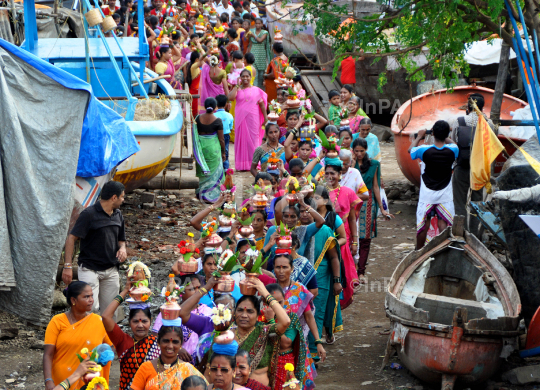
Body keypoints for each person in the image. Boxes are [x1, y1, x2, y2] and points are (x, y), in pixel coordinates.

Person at [179, 278, 291, 387]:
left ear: (258, 316)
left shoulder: (264, 332)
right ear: (234, 313)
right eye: (240, 310)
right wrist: (206, 288)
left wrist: (265, 292)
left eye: (250, 311)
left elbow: (285, 321)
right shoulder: (224, 335)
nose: (244, 315)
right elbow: (209, 371)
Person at [63, 181, 127, 320]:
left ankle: (108, 341)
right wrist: (67, 266)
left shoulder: (118, 215)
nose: (123, 200)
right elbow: (72, 237)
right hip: (89, 269)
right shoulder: (89, 214)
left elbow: (121, 240)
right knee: (90, 309)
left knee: (111, 310)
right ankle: (88, 340)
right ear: (114, 197)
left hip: (111, 269)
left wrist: (122, 248)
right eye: (122, 197)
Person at [43, 282, 112, 390]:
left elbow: (109, 348)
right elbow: (48, 354)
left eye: (91, 296)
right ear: (73, 300)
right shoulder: (57, 321)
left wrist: (102, 359)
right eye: (86, 297)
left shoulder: (98, 322)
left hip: (91, 383)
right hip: (62, 382)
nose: (91, 300)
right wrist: (48, 380)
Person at [102, 278, 160, 390]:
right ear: (129, 322)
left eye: (144, 321)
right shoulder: (122, 340)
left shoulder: (157, 342)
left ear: (151, 321)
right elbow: (106, 316)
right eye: (135, 321)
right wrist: (124, 291)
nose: (140, 325)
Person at [409, 120, 458, 249]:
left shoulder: (424, 150)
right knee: (444, 223)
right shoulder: (453, 150)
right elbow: (454, 144)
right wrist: (446, 135)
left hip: (427, 194)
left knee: (424, 225)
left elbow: (410, 150)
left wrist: (420, 136)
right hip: (445, 193)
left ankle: (418, 252)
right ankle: (444, 249)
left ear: (433, 133)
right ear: (447, 134)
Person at [449, 93, 493, 236]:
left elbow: (454, 141)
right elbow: (491, 145)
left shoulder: (459, 121)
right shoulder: (489, 123)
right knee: (477, 202)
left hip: (462, 167)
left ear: (468, 107)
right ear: (482, 107)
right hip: (479, 169)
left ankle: (461, 234)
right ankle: (475, 235)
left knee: (460, 203)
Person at [322, 157, 361, 309]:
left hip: (342, 240)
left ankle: (337, 305)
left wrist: (355, 241)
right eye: (327, 173)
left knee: (342, 274)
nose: (330, 177)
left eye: (333, 173)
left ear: (340, 175)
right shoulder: (318, 192)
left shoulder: (348, 192)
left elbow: (352, 219)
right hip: (323, 236)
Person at [352, 137, 393, 282]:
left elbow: (376, 186)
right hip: (352, 200)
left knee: (365, 238)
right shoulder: (351, 164)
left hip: (368, 202)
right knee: (352, 236)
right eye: (356, 151)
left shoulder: (374, 164)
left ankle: (361, 271)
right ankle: (352, 270)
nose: (359, 154)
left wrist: (382, 208)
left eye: (361, 151)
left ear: (366, 150)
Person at [264, 283, 315, 390]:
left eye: (280, 302)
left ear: (284, 301)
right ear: (264, 302)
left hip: (284, 364)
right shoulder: (259, 318)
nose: (276, 306)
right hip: (264, 365)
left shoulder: (290, 317)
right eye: (272, 303)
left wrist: (272, 321)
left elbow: (285, 343)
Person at [130, 327, 207, 390]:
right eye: (166, 341)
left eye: (175, 342)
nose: (170, 346)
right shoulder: (146, 368)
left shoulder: (188, 369)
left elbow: (207, 386)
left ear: (181, 345)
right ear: (158, 343)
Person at [228, 68, 268, 171]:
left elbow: (262, 105)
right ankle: (243, 165)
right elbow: (230, 98)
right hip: (241, 119)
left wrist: (266, 118)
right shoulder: (238, 89)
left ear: (251, 77)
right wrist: (236, 86)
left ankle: (254, 164)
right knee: (241, 140)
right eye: (243, 76)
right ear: (240, 78)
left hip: (253, 119)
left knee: (254, 140)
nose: (245, 78)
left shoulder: (256, 90)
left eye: (247, 76)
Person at [193, 97, 225, 203]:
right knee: (214, 171)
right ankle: (212, 194)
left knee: (202, 169)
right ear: (215, 107)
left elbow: (195, 134)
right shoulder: (218, 121)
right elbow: (221, 139)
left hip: (201, 149)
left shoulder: (198, 118)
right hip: (213, 149)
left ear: (205, 106)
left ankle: (201, 193)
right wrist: (223, 152)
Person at [247, 18, 270, 88]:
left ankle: (261, 90)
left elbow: (260, 40)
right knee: (254, 73)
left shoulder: (264, 32)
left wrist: (253, 35)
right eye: (256, 23)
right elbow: (250, 43)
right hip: (253, 53)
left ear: (262, 24)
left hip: (261, 54)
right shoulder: (251, 31)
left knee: (261, 74)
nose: (257, 25)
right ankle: (255, 89)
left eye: (259, 23)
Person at [214, 94, 234, 170]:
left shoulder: (214, 115)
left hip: (216, 135)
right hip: (225, 135)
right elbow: (230, 128)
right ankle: (225, 168)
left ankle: (216, 167)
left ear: (216, 104)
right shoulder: (229, 115)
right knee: (225, 151)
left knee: (216, 150)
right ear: (226, 104)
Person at [186, 49, 205, 118]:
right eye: (200, 58)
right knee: (194, 113)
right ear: (197, 59)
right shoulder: (193, 67)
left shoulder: (197, 68)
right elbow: (204, 60)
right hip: (194, 93)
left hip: (197, 92)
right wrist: (200, 48)